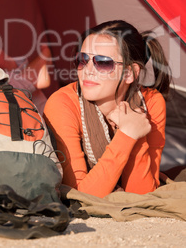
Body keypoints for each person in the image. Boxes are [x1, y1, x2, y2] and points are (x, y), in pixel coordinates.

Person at [43, 20, 172, 197]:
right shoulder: (62, 104)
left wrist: (135, 133)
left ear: (129, 73)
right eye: (83, 60)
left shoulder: (151, 101)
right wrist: (128, 134)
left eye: (103, 63)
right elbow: (81, 196)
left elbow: (142, 193)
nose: (88, 70)